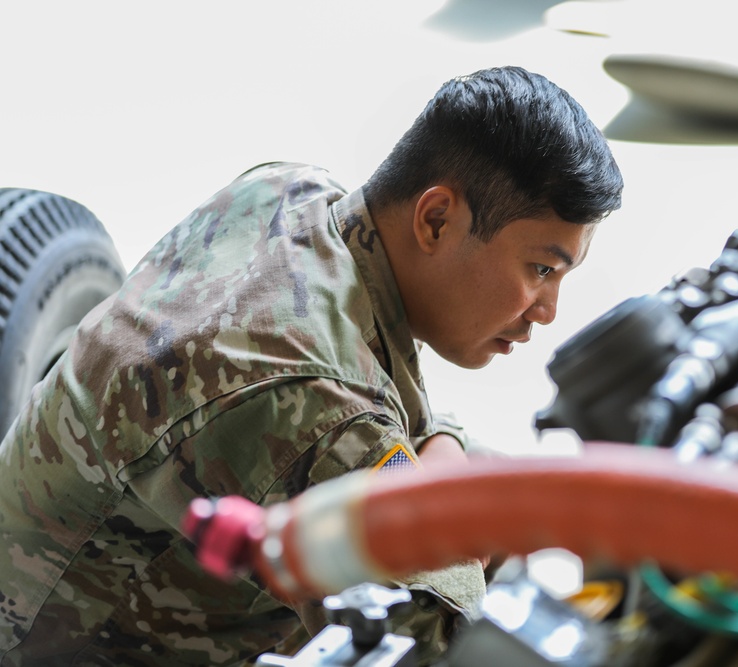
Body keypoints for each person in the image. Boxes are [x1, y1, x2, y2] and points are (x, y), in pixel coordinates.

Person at [0, 65, 623, 666]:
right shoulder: (310, 406)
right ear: (435, 219)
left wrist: (451, 458)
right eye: (541, 269)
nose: (547, 311)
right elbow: (436, 646)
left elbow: (383, 414)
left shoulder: (292, 190)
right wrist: (448, 468)